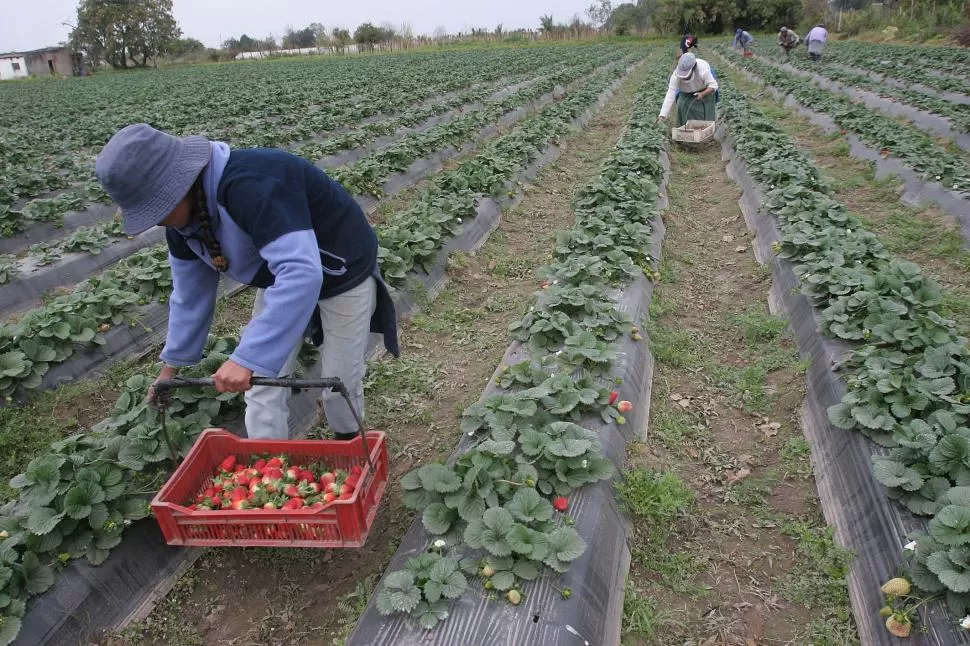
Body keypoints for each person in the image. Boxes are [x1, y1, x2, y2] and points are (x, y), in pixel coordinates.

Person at [95, 124, 399, 440]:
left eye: (156, 207)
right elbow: (190, 297)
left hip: (341, 270)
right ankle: (268, 471)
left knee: (338, 383)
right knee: (260, 387)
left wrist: (246, 359)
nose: (156, 220)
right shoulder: (184, 226)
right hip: (281, 277)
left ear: (179, 184)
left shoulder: (252, 185)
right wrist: (170, 368)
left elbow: (302, 272)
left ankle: (350, 446)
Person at [657, 53, 718, 126]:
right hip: (685, 92)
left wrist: (702, 94)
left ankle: (705, 130)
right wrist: (662, 115)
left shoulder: (702, 70)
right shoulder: (675, 76)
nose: (684, 78)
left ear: (693, 69)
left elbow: (713, 85)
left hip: (705, 89)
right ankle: (685, 128)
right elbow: (670, 93)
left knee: (704, 112)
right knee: (682, 105)